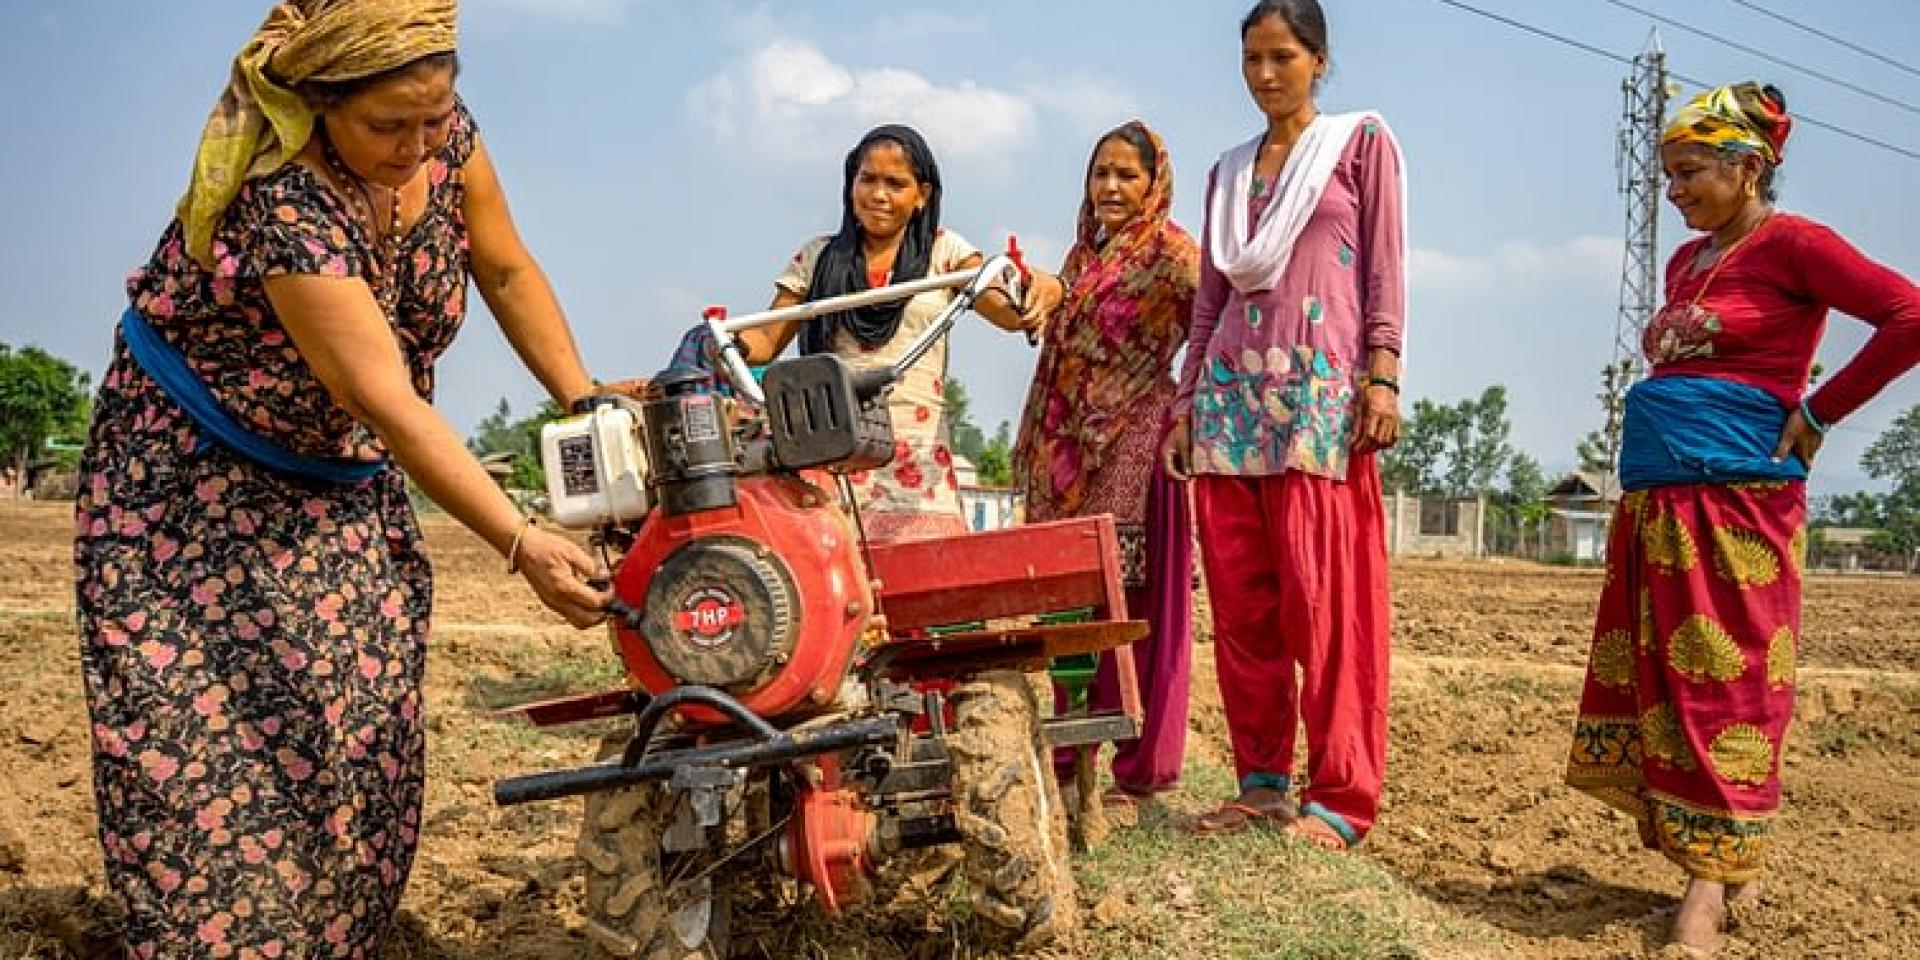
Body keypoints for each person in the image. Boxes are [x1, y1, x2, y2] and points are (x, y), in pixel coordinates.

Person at [73, 2, 611, 955]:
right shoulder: (283, 200)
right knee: (212, 759)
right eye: (385, 127)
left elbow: (504, 265)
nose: (414, 146)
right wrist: (522, 541)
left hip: (336, 488)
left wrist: (586, 401)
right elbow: (386, 399)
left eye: (433, 120)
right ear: (320, 106)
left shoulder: (447, 137)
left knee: (355, 746)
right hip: (190, 498)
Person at [1564, 81, 1920, 954]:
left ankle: (1707, 892)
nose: (1676, 189)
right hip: (1658, 506)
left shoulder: (1798, 245)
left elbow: (1910, 315)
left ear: (1749, 164)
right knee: (1668, 687)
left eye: (1689, 171)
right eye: (1669, 173)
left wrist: (1822, 410)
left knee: (1725, 685)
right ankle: (1712, 864)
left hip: (1736, 507)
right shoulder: (1689, 263)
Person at [1164, 0, 1407, 851]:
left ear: (1319, 59)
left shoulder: (1360, 145)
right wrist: (1187, 401)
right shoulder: (1229, 172)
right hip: (1230, 408)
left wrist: (1384, 373)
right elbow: (1209, 301)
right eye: (1252, 59)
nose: (1265, 75)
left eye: (1282, 57)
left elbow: (1383, 267)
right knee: (1245, 612)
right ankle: (1260, 785)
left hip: (1320, 407)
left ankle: (1341, 794)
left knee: (1325, 608)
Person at [737, 124, 1045, 542]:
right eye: (868, 180)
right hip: (835, 453)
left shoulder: (945, 253)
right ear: (851, 186)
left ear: (922, 196)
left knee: (927, 582)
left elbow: (999, 306)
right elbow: (765, 342)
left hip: (917, 463)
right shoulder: (817, 258)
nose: (878, 195)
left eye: (895, 184)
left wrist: (1030, 301)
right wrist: (725, 344)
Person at [1012, 121, 1197, 808]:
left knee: (1131, 600)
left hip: (1136, 437)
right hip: (1064, 444)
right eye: (1101, 174)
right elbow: (1053, 304)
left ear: (1155, 184)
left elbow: (1215, 321)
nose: (1111, 187)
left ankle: (1139, 767)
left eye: (1127, 175)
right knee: (1067, 597)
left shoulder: (1177, 257)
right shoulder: (1082, 254)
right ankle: (1068, 751)